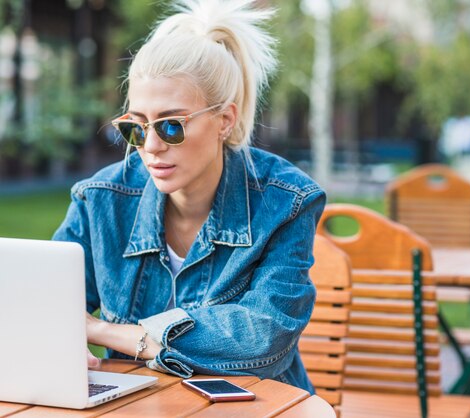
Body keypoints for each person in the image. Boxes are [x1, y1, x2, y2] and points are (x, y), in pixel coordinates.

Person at [53, 0, 325, 393]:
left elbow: (263, 337)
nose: (151, 147)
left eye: (171, 126)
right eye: (137, 127)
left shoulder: (286, 202)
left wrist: (102, 331)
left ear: (225, 120)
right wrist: (63, 340)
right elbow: (45, 303)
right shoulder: (100, 201)